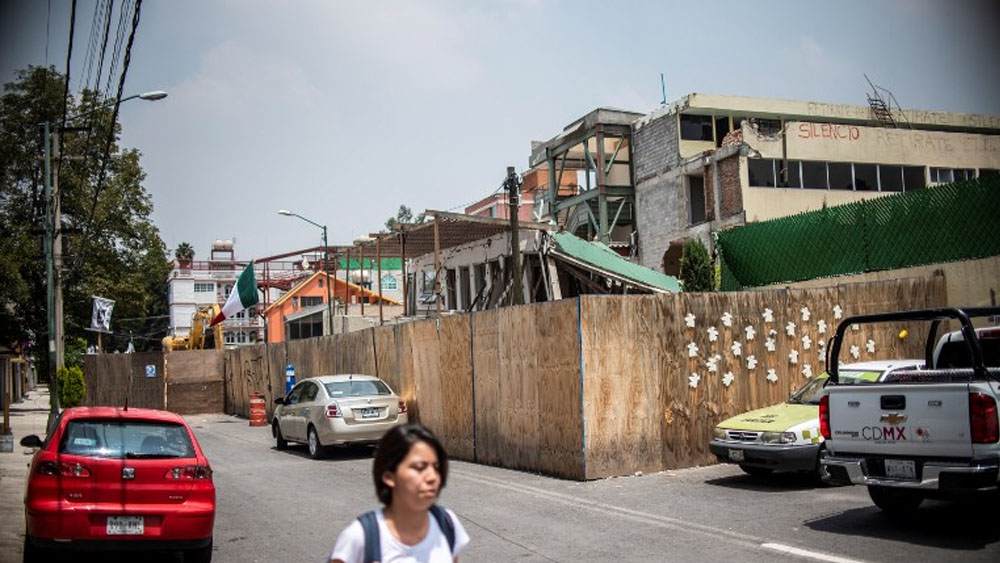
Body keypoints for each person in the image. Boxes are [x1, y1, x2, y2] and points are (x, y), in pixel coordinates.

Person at [330, 424, 470, 563]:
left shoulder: (446, 523)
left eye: (436, 467)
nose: (432, 477)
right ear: (389, 477)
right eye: (419, 467)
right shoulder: (360, 537)